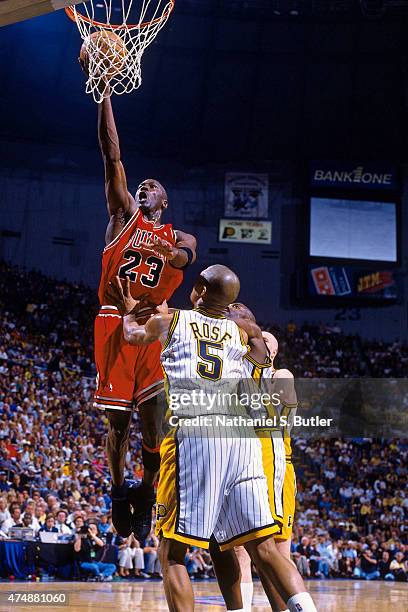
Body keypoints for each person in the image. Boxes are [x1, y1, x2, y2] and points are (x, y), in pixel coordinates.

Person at [109, 265, 317, 612]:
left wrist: (129, 310)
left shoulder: (173, 320)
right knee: (261, 547)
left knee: (171, 552)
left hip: (197, 434)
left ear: (201, 291)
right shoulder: (243, 331)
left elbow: (132, 335)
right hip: (244, 441)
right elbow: (259, 352)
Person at [78, 59, 197, 542]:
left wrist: (168, 249)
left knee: (154, 424)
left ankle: (146, 490)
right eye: (140, 184)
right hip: (112, 319)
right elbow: (111, 157)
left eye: (152, 187)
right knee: (118, 422)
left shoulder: (177, 232)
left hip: (149, 325)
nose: (143, 187)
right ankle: (116, 487)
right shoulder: (121, 217)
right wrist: (104, 92)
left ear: (163, 201)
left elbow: (186, 257)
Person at [210, 303, 304, 612]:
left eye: (261, 341)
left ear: (269, 351)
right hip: (245, 463)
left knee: (277, 550)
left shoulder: (282, 374)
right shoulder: (241, 371)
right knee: (241, 551)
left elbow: (273, 412)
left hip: (273, 463)